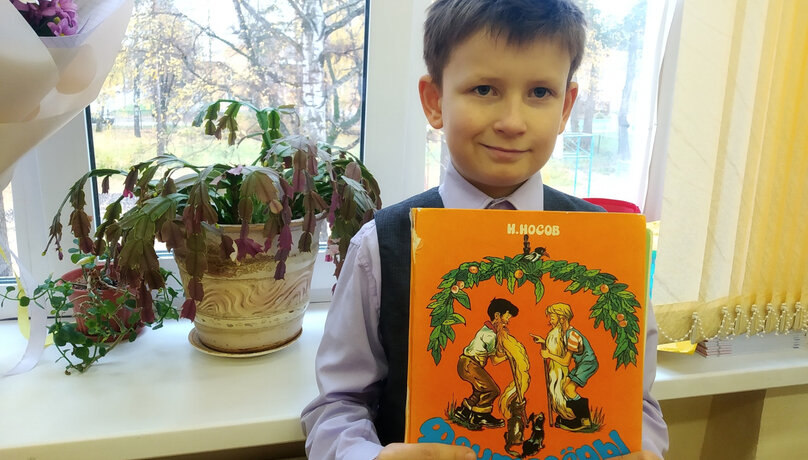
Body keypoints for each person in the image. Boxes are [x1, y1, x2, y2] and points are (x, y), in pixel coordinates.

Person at [301, 1, 669, 459]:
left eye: (540, 92)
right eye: (484, 89)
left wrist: (646, 449)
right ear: (435, 101)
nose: (512, 122)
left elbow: (638, 404)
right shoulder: (381, 245)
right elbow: (337, 405)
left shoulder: (610, 245)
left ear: (566, 107)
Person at [451, 298, 518, 431]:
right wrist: (509, 356)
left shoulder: (488, 330)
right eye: (507, 316)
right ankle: (480, 416)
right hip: (470, 365)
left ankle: (463, 411)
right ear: (497, 316)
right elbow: (495, 360)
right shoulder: (489, 335)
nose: (508, 320)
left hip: (466, 363)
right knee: (492, 390)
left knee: (480, 389)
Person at [533, 302, 599, 431]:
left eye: (552, 318)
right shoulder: (564, 333)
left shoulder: (572, 335)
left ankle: (584, 421)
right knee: (564, 387)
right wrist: (543, 341)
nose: (550, 321)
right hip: (581, 363)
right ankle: (575, 418)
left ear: (562, 319)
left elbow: (565, 362)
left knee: (569, 389)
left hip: (588, 363)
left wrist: (549, 355)